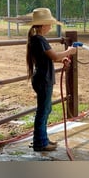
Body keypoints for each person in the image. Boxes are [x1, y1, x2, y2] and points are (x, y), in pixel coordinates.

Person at [26, 8, 77, 152]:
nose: (51, 26)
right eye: (49, 24)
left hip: (42, 78)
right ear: (42, 25)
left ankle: (43, 139)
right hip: (43, 80)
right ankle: (40, 143)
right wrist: (69, 51)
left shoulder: (37, 39)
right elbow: (54, 56)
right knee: (43, 111)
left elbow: (47, 58)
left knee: (46, 109)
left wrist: (62, 59)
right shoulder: (39, 39)